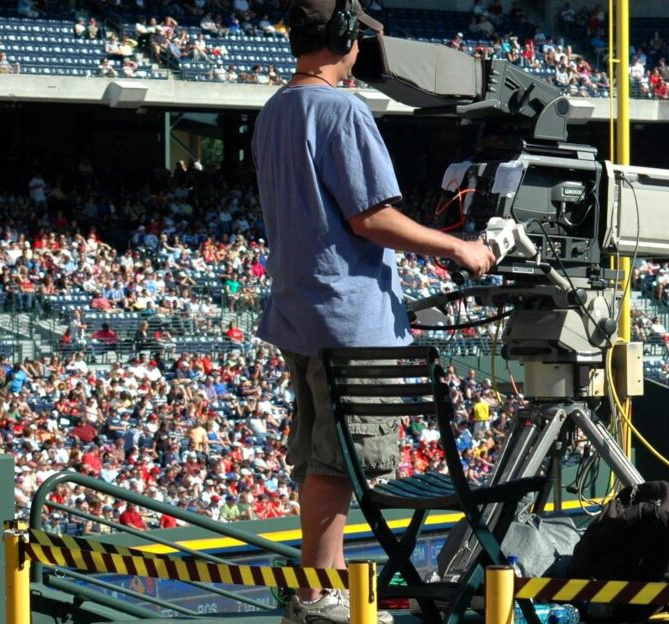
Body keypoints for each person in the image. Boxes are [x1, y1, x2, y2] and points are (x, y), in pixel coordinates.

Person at [251, 0, 495, 622]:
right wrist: (461, 247)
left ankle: (316, 592)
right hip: (349, 320)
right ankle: (323, 598)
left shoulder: (277, 108)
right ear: (344, 38)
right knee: (340, 466)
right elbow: (372, 218)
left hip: (299, 314)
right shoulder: (342, 110)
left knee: (315, 461)